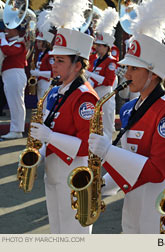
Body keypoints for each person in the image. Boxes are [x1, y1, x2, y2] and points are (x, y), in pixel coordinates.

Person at [88, 33, 165, 233]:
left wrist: (109, 152)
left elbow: (159, 170)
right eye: (127, 68)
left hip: (159, 202)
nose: (126, 74)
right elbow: (130, 160)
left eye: (134, 68)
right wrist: (101, 186)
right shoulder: (129, 108)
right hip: (132, 198)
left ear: (153, 73)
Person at [30, 27, 98, 234]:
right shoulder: (55, 91)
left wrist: (49, 136)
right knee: (57, 231)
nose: (54, 66)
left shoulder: (85, 96)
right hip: (53, 171)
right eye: (53, 59)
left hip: (73, 172)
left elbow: (86, 145)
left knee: (74, 233)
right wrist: (37, 153)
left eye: (60, 61)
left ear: (78, 65)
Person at [86, 7, 119, 141]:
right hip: (97, 93)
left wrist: (91, 74)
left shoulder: (111, 61)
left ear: (106, 47)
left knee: (106, 125)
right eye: (97, 45)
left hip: (105, 94)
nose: (97, 47)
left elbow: (108, 81)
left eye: (100, 45)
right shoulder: (97, 59)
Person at [0, 24, 27, 139]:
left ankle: (17, 131)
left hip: (15, 74)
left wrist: (2, 38)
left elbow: (7, 50)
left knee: (16, 104)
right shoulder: (8, 41)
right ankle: (15, 129)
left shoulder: (20, 43)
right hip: (8, 75)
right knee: (13, 103)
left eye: (8, 28)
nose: (5, 30)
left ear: (16, 31)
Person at [30, 30, 55, 106]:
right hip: (40, 82)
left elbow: (53, 73)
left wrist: (38, 73)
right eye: (37, 42)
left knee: (45, 105)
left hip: (46, 83)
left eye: (40, 42)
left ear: (46, 43)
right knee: (40, 105)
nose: (37, 44)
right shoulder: (41, 54)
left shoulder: (50, 55)